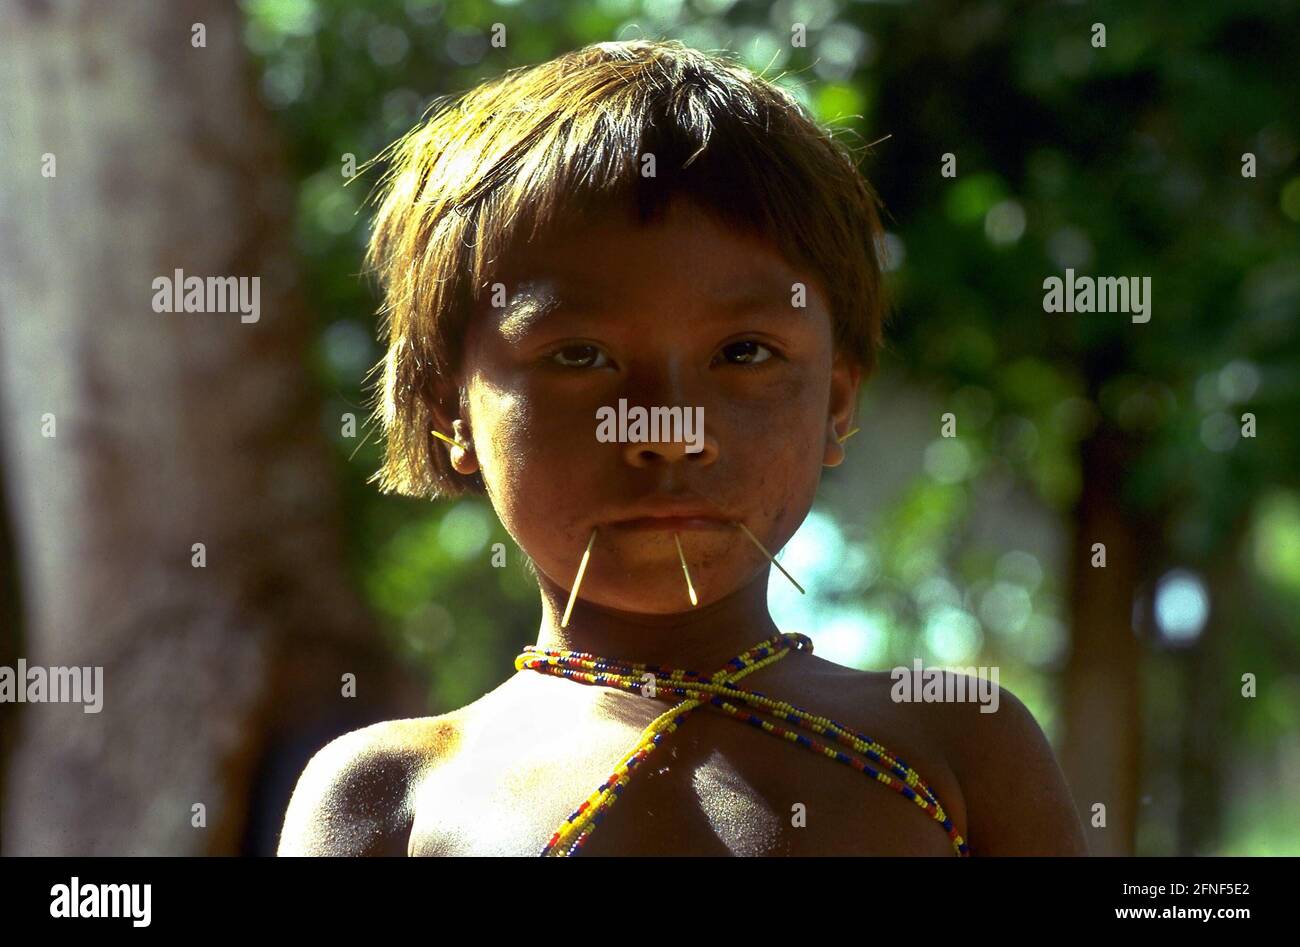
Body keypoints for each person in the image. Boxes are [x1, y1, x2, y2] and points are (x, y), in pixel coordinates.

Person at [277, 38, 1087, 857]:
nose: (668, 428)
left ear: (836, 404)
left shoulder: (959, 747)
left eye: (743, 353)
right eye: (578, 356)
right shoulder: (390, 795)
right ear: (449, 410)